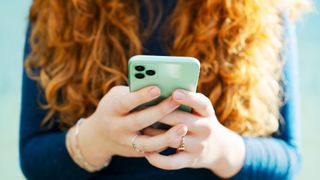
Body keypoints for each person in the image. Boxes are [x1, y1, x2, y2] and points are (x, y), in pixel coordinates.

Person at [19, 0, 310, 179]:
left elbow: (288, 157)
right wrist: (96, 139)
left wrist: (219, 149)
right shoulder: (58, 7)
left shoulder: (262, 7)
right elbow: (32, 157)